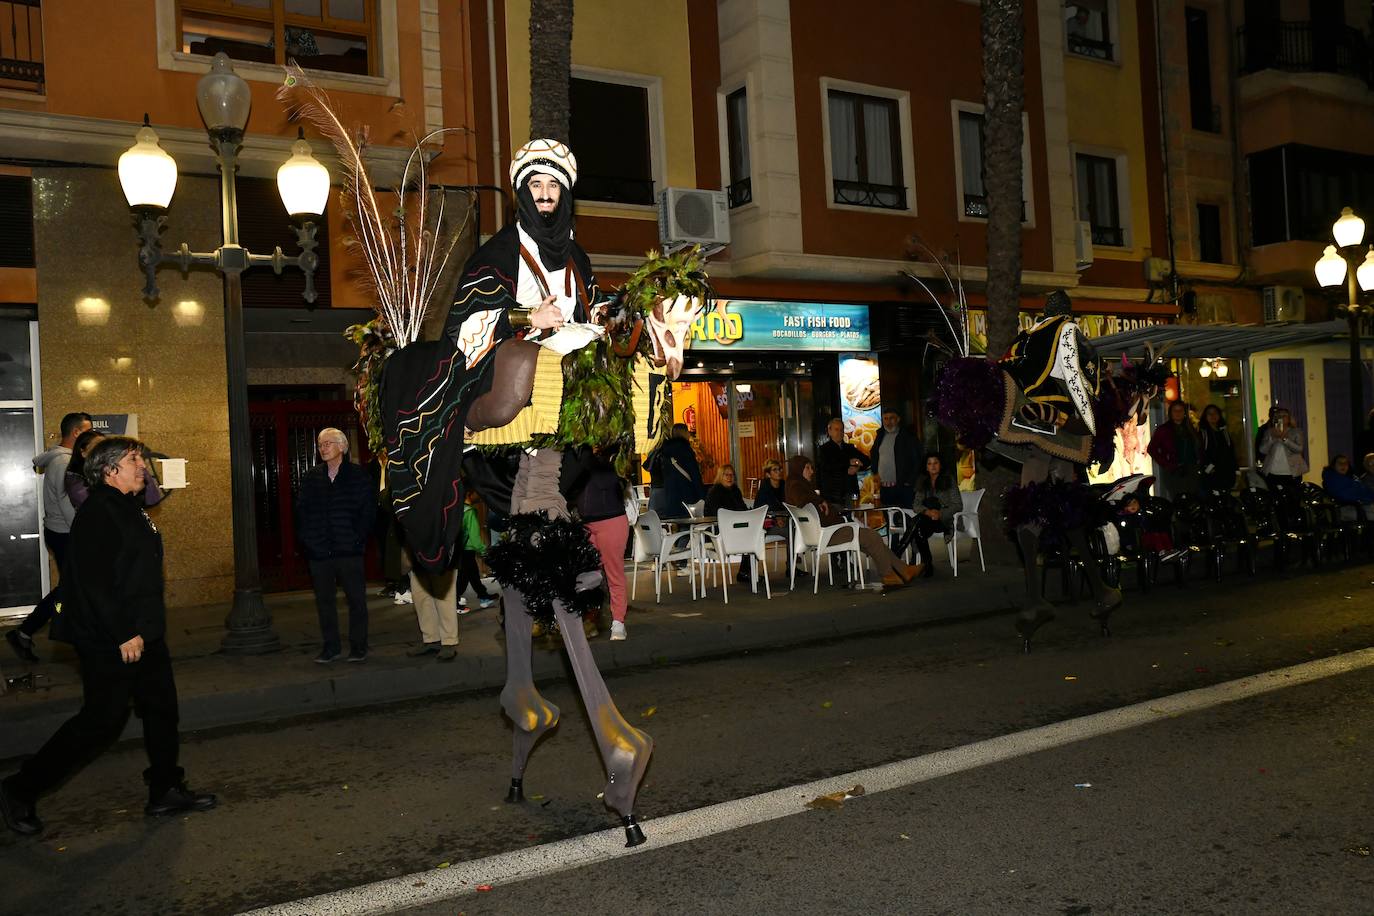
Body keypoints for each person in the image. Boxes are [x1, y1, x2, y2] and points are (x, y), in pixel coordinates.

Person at [0, 436, 216, 836]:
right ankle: (18, 789)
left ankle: (165, 788)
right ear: (110, 470)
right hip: (112, 637)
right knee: (101, 721)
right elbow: (96, 583)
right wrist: (124, 633)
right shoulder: (100, 510)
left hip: (144, 633)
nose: (143, 467)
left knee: (162, 709)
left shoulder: (127, 507)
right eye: (135, 460)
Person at [6, 412, 93, 663]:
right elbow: (68, 508)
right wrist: (86, 538)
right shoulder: (64, 463)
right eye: (87, 432)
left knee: (71, 588)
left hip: (59, 532)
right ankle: (28, 630)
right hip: (67, 534)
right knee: (70, 589)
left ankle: (30, 631)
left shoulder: (59, 460)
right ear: (77, 433)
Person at [296, 428, 376, 664]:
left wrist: (357, 538)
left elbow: (368, 512)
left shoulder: (358, 476)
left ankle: (359, 646)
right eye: (320, 444)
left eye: (328, 443)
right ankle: (331, 647)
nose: (323, 448)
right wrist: (309, 541)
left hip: (349, 550)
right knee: (325, 603)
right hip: (320, 552)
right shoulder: (312, 477)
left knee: (356, 600)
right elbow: (302, 512)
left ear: (342, 447)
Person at [784, 454, 921, 588]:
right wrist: (819, 501)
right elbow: (801, 501)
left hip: (826, 530)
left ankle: (903, 570)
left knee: (871, 540)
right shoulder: (795, 485)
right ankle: (888, 575)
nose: (812, 471)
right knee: (872, 536)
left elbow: (809, 501)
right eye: (808, 468)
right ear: (798, 468)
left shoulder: (800, 485)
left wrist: (820, 501)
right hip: (826, 533)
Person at [575, 449, 631, 640]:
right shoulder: (579, 454)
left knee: (613, 572)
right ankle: (590, 618)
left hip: (611, 520)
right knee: (586, 572)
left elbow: (607, 480)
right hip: (587, 522)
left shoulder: (611, 456)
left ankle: (618, 621)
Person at [899, 454, 961, 578]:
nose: (932, 466)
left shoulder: (948, 480)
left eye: (935, 463)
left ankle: (897, 555)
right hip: (927, 520)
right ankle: (927, 565)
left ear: (940, 465)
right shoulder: (923, 481)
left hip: (943, 520)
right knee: (919, 528)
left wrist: (940, 513)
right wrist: (928, 512)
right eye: (929, 463)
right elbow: (916, 505)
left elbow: (958, 505)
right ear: (926, 467)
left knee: (916, 523)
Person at [705, 464, 754, 583]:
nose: (729, 477)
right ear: (720, 476)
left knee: (754, 535)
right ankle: (745, 572)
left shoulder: (735, 491)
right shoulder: (714, 492)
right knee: (750, 536)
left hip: (735, 527)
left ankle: (746, 572)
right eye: (726, 474)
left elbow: (742, 509)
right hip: (719, 530)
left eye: (731, 475)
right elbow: (719, 514)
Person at [1147, 400, 1201, 499]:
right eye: (1175, 411)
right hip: (1174, 471)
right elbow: (1152, 449)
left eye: (1180, 410)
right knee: (1178, 499)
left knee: (1192, 499)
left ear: (1184, 413)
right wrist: (1166, 464)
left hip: (1191, 470)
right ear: (1170, 413)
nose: (1178, 413)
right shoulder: (1164, 429)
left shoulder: (1190, 429)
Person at [456, 492, 497, 613]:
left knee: (472, 574)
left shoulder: (458, 509)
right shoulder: (470, 512)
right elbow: (474, 537)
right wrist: (483, 550)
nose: (479, 496)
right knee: (464, 578)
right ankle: (454, 602)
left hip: (459, 548)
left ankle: (483, 596)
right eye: (477, 493)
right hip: (467, 549)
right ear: (469, 494)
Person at [872, 409, 919, 510]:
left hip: (903, 486)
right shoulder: (880, 435)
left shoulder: (908, 436)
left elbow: (917, 459)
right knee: (888, 518)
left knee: (905, 517)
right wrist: (875, 472)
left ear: (898, 419)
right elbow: (874, 454)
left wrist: (910, 481)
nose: (888, 422)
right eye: (885, 418)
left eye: (891, 418)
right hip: (884, 487)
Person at [816, 417, 868, 506]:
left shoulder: (850, 448)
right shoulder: (824, 449)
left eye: (841, 430)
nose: (839, 432)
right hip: (833, 496)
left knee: (854, 519)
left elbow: (867, 461)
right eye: (836, 429)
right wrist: (848, 463)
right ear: (829, 431)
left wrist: (857, 466)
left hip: (851, 493)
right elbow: (828, 466)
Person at [1256, 405, 1307, 492]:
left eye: (1284, 416)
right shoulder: (1269, 432)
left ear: (1289, 418)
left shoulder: (1296, 431)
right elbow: (1262, 450)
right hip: (1273, 473)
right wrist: (1273, 438)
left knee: (1293, 499)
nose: (1281, 418)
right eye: (1279, 416)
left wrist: (1284, 439)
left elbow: (1299, 449)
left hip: (1292, 473)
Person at [658, 422, 705, 516]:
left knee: (677, 524)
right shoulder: (685, 449)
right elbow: (694, 473)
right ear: (684, 433)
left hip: (670, 494)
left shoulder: (665, 451)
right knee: (689, 523)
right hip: (686, 493)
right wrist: (701, 494)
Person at [1197, 404, 1237, 495]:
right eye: (1209, 414)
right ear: (1205, 416)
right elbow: (1200, 452)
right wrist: (1207, 468)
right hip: (1211, 474)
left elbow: (1230, 451)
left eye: (1215, 413)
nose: (1213, 416)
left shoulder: (1224, 432)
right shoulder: (1203, 434)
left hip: (1226, 473)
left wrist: (1235, 469)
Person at [1322, 454, 1374, 519]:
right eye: (1340, 463)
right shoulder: (1332, 479)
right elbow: (1345, 495)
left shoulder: (1351, 478)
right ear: (1333, 466)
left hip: (1362, 505)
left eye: (1345, 463)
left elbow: (1365, 491)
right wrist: (1366, 499)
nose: (1343, 465)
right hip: (1348, 508)